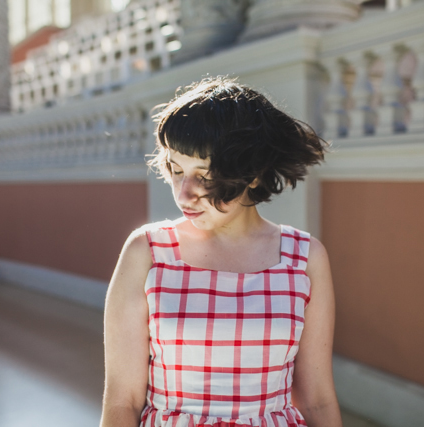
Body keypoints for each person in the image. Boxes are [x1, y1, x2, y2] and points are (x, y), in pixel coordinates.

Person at [100, 77, 342, 427]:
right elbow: (122, 402)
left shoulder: (305, 258)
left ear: (253, 174)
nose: (184, 194)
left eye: (205, 175)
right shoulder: (147, 252)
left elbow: (317, 401)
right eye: (176, 170)